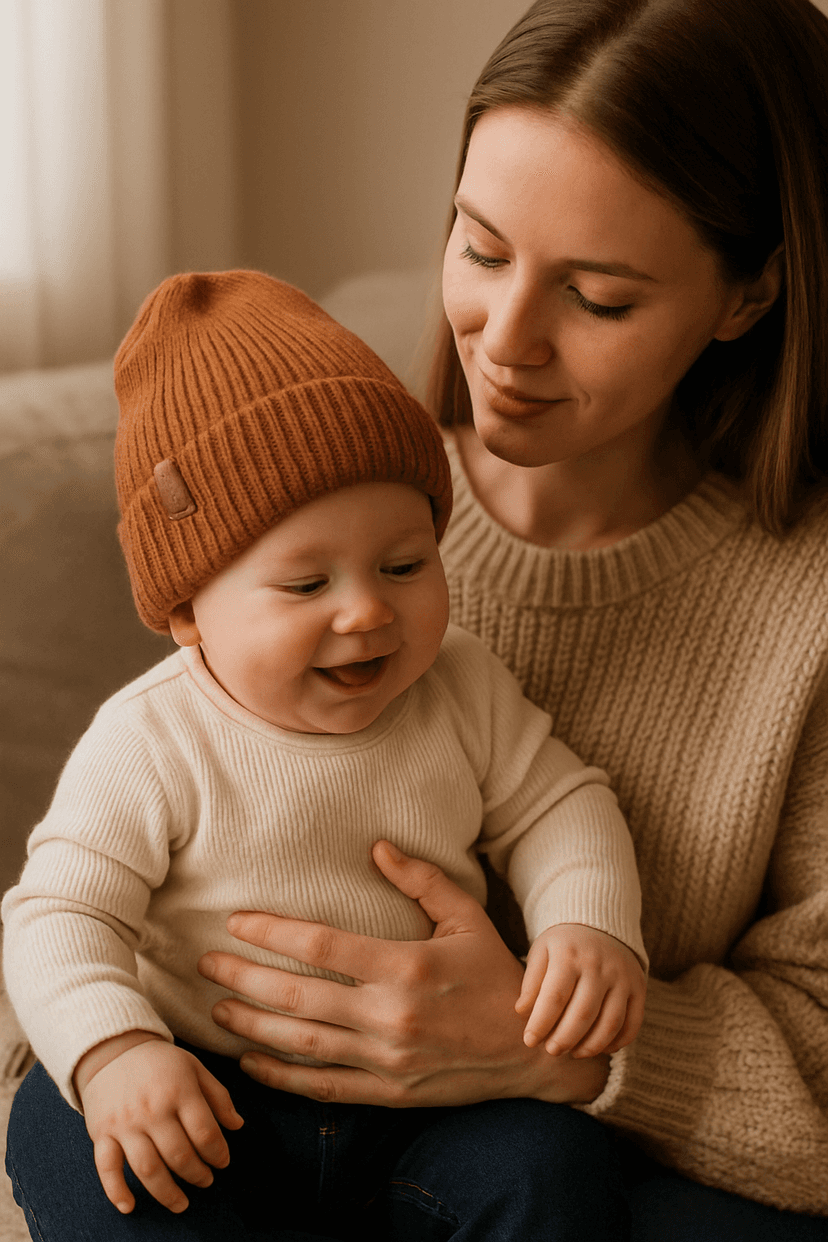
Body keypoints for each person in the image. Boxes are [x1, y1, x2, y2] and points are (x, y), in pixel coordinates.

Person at [73, 0, 827, 1237]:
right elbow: (127, 855)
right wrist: (109, 1055)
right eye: (480, 249)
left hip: (563, 1171)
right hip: (248, 1117)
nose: (505, 344)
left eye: (597, 295)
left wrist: (549, 1045)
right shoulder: (319, 507)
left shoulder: (804, 605)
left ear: (748, 296)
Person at [3, 269, 647, 1240]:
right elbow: (57, 913)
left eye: (404, 564)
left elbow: (560, 805)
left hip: (430, 1106)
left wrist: (588, 925)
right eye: (306, 583)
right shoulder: (151, 739)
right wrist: (115, 1053)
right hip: (209, 1094)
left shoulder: (462, 687)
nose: (367, 610)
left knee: (558, 1168)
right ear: (188, 613)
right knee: (77, 1140)